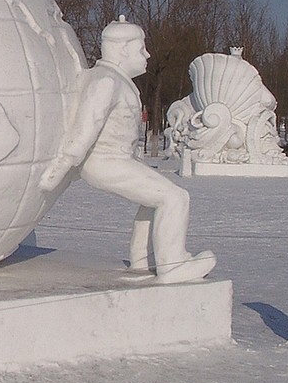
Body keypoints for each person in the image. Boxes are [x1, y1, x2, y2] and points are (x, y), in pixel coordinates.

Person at [40, 16, 216, 284]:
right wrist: (61, 166)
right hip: (104, 162)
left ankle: (141, 259)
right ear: (123, 50)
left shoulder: (113, 79)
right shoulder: (106, 81)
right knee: (174, 198)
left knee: (154, 197)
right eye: (141, 48)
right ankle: (173, 265)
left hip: (117, 159)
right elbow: (87, 125)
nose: (147, 55)